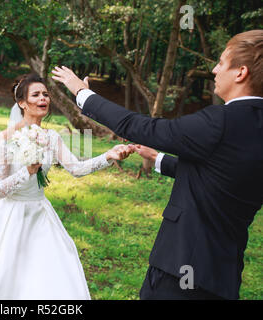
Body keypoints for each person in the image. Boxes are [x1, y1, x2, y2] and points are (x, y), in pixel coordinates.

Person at [52, 30, 263, 300]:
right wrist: (158, 159)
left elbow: (140, 126)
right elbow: (222, 176)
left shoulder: (220, 121)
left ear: (240, 73)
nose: (213, 70)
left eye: (221, 62)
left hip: (181, 271)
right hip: (223, 276)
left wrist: (82, 93)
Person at [0, 73, 134, 299]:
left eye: (46, 94)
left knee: (50, 275)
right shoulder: (6, 137)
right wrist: (27, 171)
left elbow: (76, 169)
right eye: (36, 95)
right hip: (9, 217)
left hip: (40, 215)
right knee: (4, 280)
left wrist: (109, 155)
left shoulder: (51, 137)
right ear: (22, 103)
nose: (43, 99)